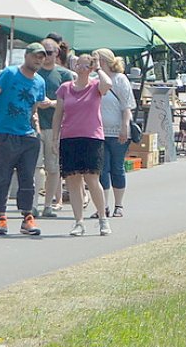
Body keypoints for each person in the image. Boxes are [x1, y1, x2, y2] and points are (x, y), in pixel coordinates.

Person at [0, 41, 52, 237]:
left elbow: (34, 107)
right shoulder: (9, 73)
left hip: (28, 136)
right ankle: (2, 216)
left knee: (27, 178)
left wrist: (35, 126)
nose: (39, 60)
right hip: (4, 132)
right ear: (26, 56)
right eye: (36, 56)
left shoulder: (39, 82)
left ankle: (27, 217)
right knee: (2, 176)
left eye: (42, 57)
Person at [56, 53, 111, 236]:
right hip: (69, 137)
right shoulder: (65, 88)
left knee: (92, 179)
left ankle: (103, 218)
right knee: (73, 180)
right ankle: (78, 221)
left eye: (85, 65)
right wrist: (54, 138)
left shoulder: (96, 86)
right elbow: (58, 114)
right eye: (78, 64)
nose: (81, 68)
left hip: (91, 137)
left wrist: (98, 68)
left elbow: (108, 84)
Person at [94, 49, 134, 217]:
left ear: (104, 61)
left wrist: (125, 126)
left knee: (117, 167)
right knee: (102, 169)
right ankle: (102, 207)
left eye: (96, 59)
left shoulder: (120, 79)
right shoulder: (96, 80)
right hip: (99, 131)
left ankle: (119, 205)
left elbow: (127, 106)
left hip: (117, 131)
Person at [33, 39, 69, 217]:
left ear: (57, 53)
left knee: (53, 168)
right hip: (34, 126)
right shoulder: (33, 72)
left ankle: (48, 204)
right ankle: (33, 204)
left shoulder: (64, 75)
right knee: (36, 167)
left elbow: (72, 101)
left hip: (56, 128)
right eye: (42, 53)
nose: (45, 56)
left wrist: (53, 103)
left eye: (49, 52)